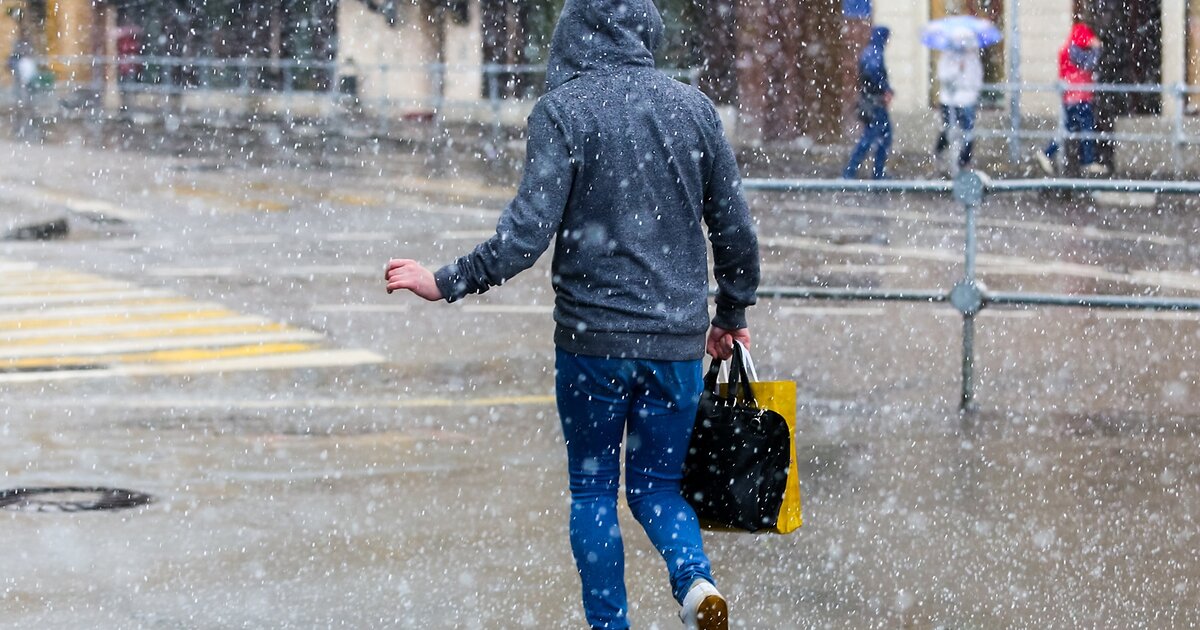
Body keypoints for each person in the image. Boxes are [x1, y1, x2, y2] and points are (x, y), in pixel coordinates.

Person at [383, 0, 760, 628]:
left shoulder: (562, 111)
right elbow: (735, 230)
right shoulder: (693, 110)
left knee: (593, 492)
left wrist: (446, 281)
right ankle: (697, 583)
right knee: (658, 488)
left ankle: (609, 624)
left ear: (571, 37)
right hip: (675, 345)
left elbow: (525, 237)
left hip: (592, 345)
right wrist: (732, 310)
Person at [1036, 18, 1107, 176]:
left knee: (1068, 129)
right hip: (1079, 98)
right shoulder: (1074, 51)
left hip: (1073, 98)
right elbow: (1089, 64)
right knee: (1085, 127)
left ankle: (1047, 153)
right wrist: (1097, 48)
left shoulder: (1069, 49)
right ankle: (1087, 161)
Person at [843, 26, 894, 180]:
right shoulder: (875, 53)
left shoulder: (870, 52)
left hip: (871, 101)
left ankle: (859, 171)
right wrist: (885, 89)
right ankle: (862, 172)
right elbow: (873, 73)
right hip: (875, 103)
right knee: (875, 137)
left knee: (876, 137)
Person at [933, 28, 984, 171]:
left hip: (967, 100)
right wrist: (957, 70)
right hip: (950, 100)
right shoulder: (947, 57)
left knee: (968, 132)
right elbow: (943, 77)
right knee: (949, 129)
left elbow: (977, 77)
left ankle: (964, 162)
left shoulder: (973, 58)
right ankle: (941, 153)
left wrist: (973, 93)